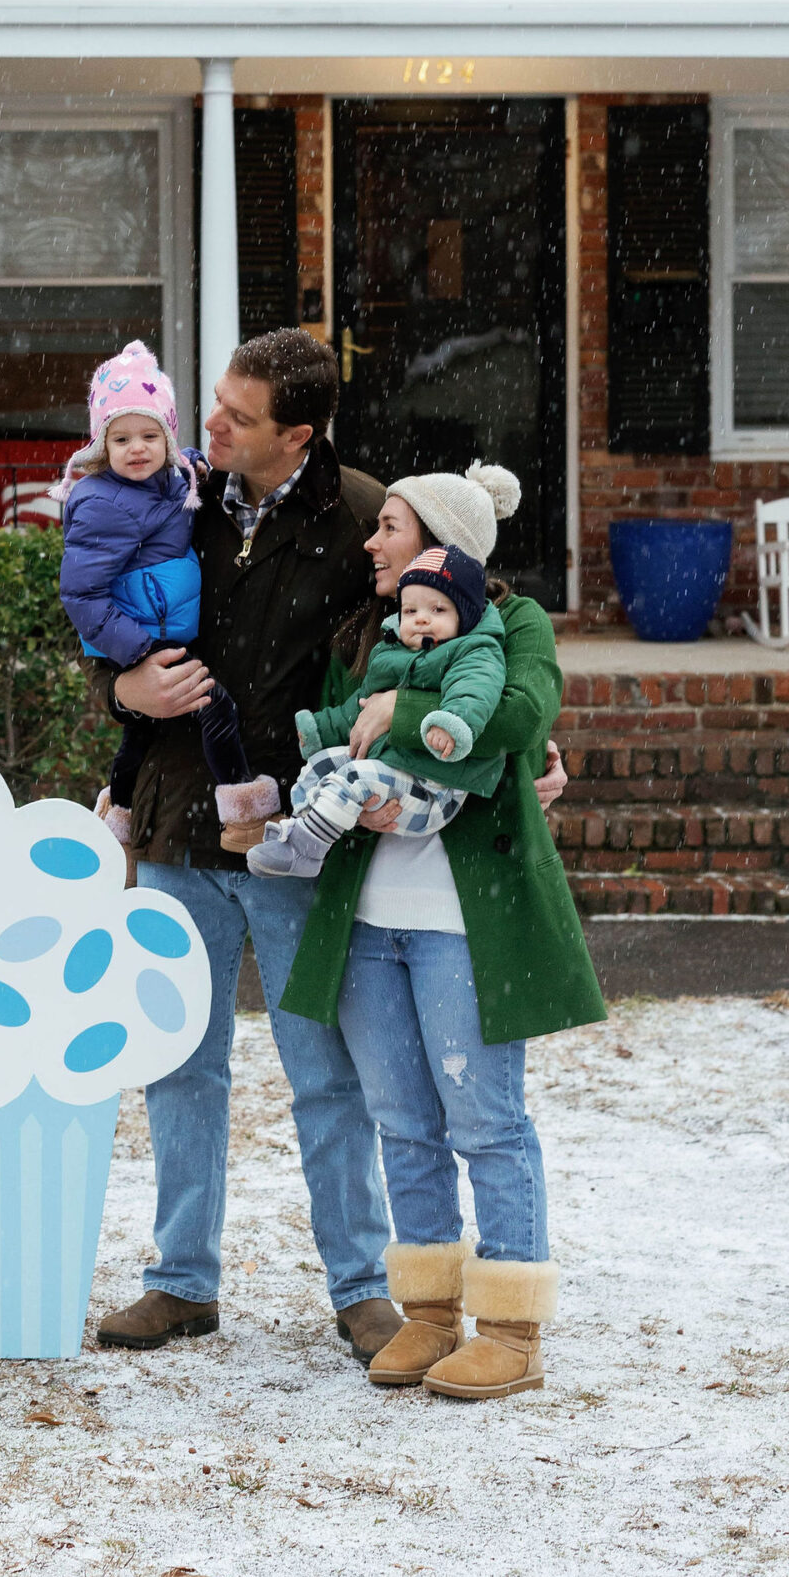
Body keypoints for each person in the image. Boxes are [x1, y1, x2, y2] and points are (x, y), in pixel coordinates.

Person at [89, 328, 407, 1364]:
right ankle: (181, 1282)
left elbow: (451, 632)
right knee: (183, 1062)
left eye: (235, 413)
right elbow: (98, 607)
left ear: (298, 434)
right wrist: (122, 689)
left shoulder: (361, 516)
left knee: (325, 1068)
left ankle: (362, 1289)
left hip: (294, 838)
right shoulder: (168, 496)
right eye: (213, 402)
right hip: (180, 817)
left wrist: (499, 727)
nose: (208, 422)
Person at [280, 464, 608, 1402]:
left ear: (437, 536)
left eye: (388, 525)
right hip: (367, 919)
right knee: (403, 1125)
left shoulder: (517, 621)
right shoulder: (375, 626)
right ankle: (428, 1316)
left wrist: (406, 714)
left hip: (464, 924)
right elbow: (337, 733)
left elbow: (519, 712)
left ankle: (510, 1327)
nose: (371, 543)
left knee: (485, 1121)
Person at [57, 340, 280, 847]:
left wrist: (193, 465)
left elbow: (179, 480)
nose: (137, 449)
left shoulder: (171, 478)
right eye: (121, 440)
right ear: (101, 447)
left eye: (150, 435)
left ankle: (120, 816)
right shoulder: (101, 503)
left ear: (168, 437)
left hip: (157, 629)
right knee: (214, 707)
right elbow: (82, 594)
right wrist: (136, 653)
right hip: (140, 635)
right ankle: (244, 811)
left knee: (141, 731)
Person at [245, 539, 506, 877]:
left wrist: (452, 722)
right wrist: (322, 730)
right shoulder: (389, 654)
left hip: (436, 788)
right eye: (411, 611)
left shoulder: (472, 650)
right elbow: (361, 708)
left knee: (354, 776)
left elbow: (475, 689)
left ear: (465, 616)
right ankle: (299, 833)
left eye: (438, 610)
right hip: (392, 772)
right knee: (320, 765)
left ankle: (309, 852)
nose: (422, 620)